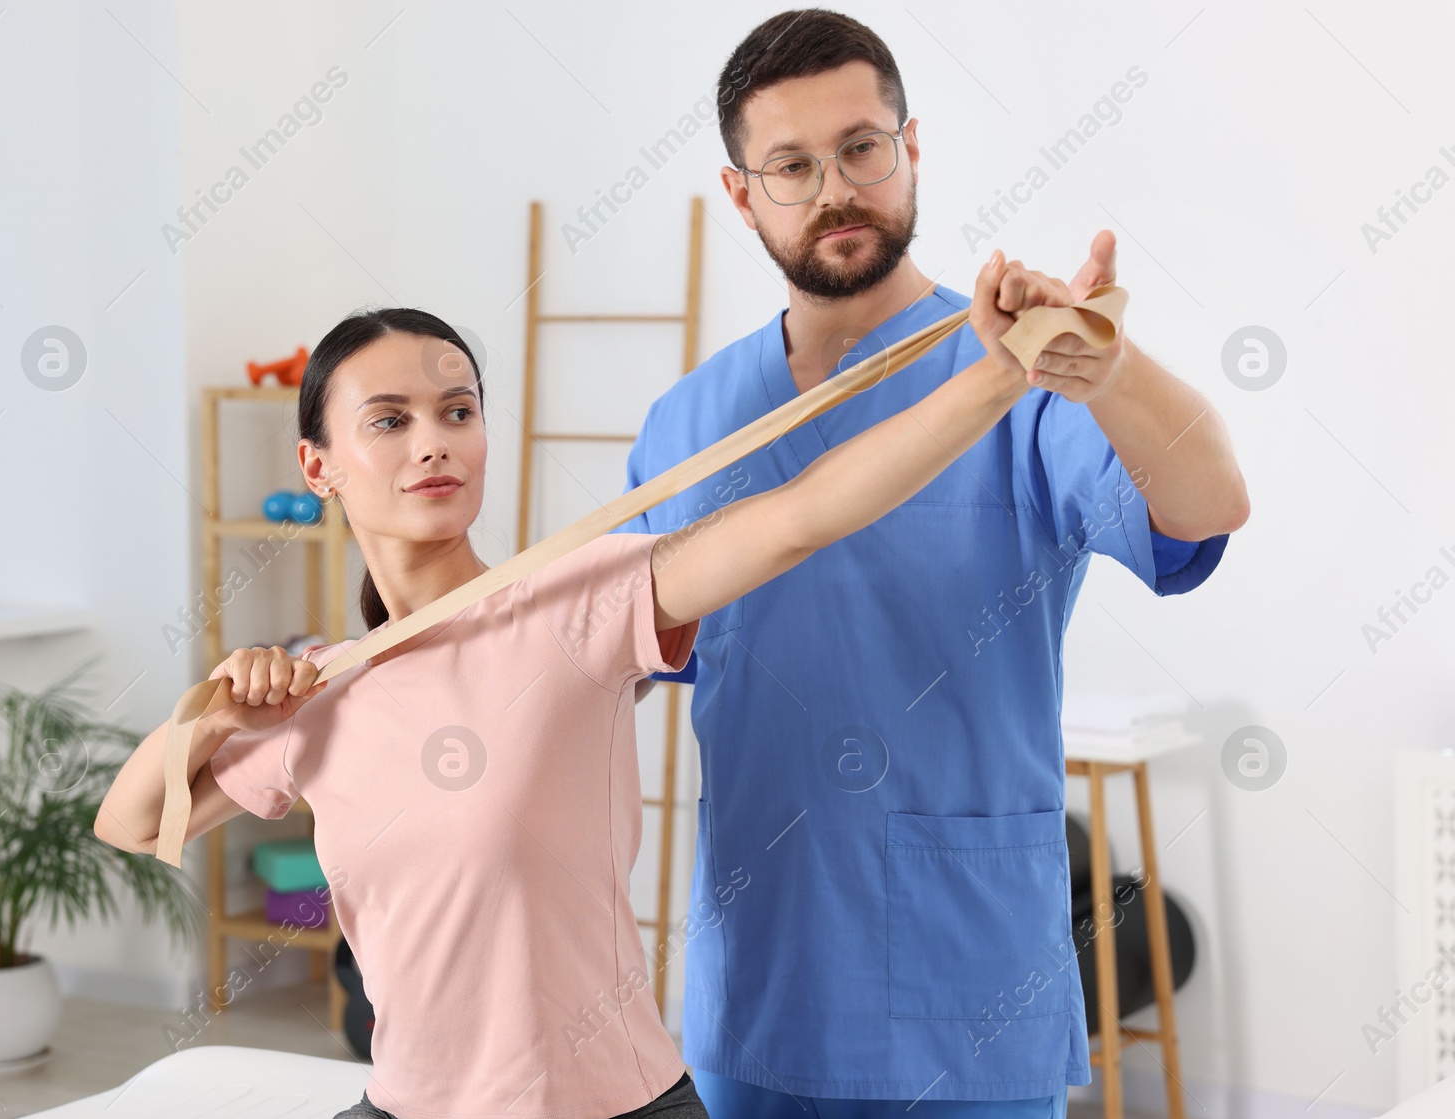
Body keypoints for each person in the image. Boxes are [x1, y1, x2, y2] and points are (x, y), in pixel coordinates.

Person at [93, 257, 1068, 1119]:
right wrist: (209, 714)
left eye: (457, 412)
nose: (433, 442)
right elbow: (134, 826)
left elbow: (799, 517)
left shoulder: (574, 601)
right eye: (388, 422)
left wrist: (997, 379)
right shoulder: (320, 690)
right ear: (318, 467)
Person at [614, 10, 1249, 1119]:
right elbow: (608, 659)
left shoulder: (1021, 375)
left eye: (861, 148)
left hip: (972, 995)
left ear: (912, 148)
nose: (833, 190)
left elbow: (1207, 505)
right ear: (739, 193)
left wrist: (1110, 373)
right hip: (759, 981)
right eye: (790, 166)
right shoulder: (689, 426)